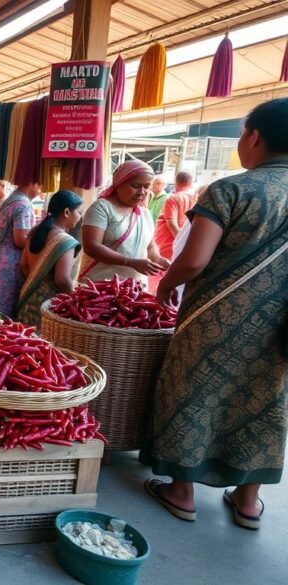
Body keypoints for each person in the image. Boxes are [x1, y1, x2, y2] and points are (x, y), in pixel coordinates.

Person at [141, 98, 288, 530]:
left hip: (213, 320)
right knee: (262, 400)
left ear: (254, 137)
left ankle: (181, 492)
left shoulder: (232, 189)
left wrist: (167, 283)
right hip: (278, 326)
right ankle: (247, 502)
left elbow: (193, 260)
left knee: (193, 393)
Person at [80, 160, 169, 285]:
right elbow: (92, 247)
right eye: (136, 186)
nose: (142, 192)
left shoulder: (145, 213)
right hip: (101, 286)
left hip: (134, 287)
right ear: (118, 185)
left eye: (147, 186)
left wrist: (158, 259)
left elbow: (150, 246)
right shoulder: (102, 208)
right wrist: (131, 262)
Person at [14, 190, 84, 327]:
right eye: (79, 212)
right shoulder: (66, 241)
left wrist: (37, 283)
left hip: (27, 301)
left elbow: (23, 266)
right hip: (48, 308)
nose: (80, 217)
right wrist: (77, 300)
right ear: (67, 212)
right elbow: (62, 280)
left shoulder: (35, 233)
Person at [0, 181, 36, 317]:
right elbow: (21, 239)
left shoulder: (11, 200)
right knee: (3, 321)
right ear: (34, 184)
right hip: (9, 270)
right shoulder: (23, 205)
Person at [154, 171, 195, 261]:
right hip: (184, 245)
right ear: (191, 182)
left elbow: (172, 224)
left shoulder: (173, 198)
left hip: (169, 246)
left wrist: (181, 242)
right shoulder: (197, 198)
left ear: (175, 182)